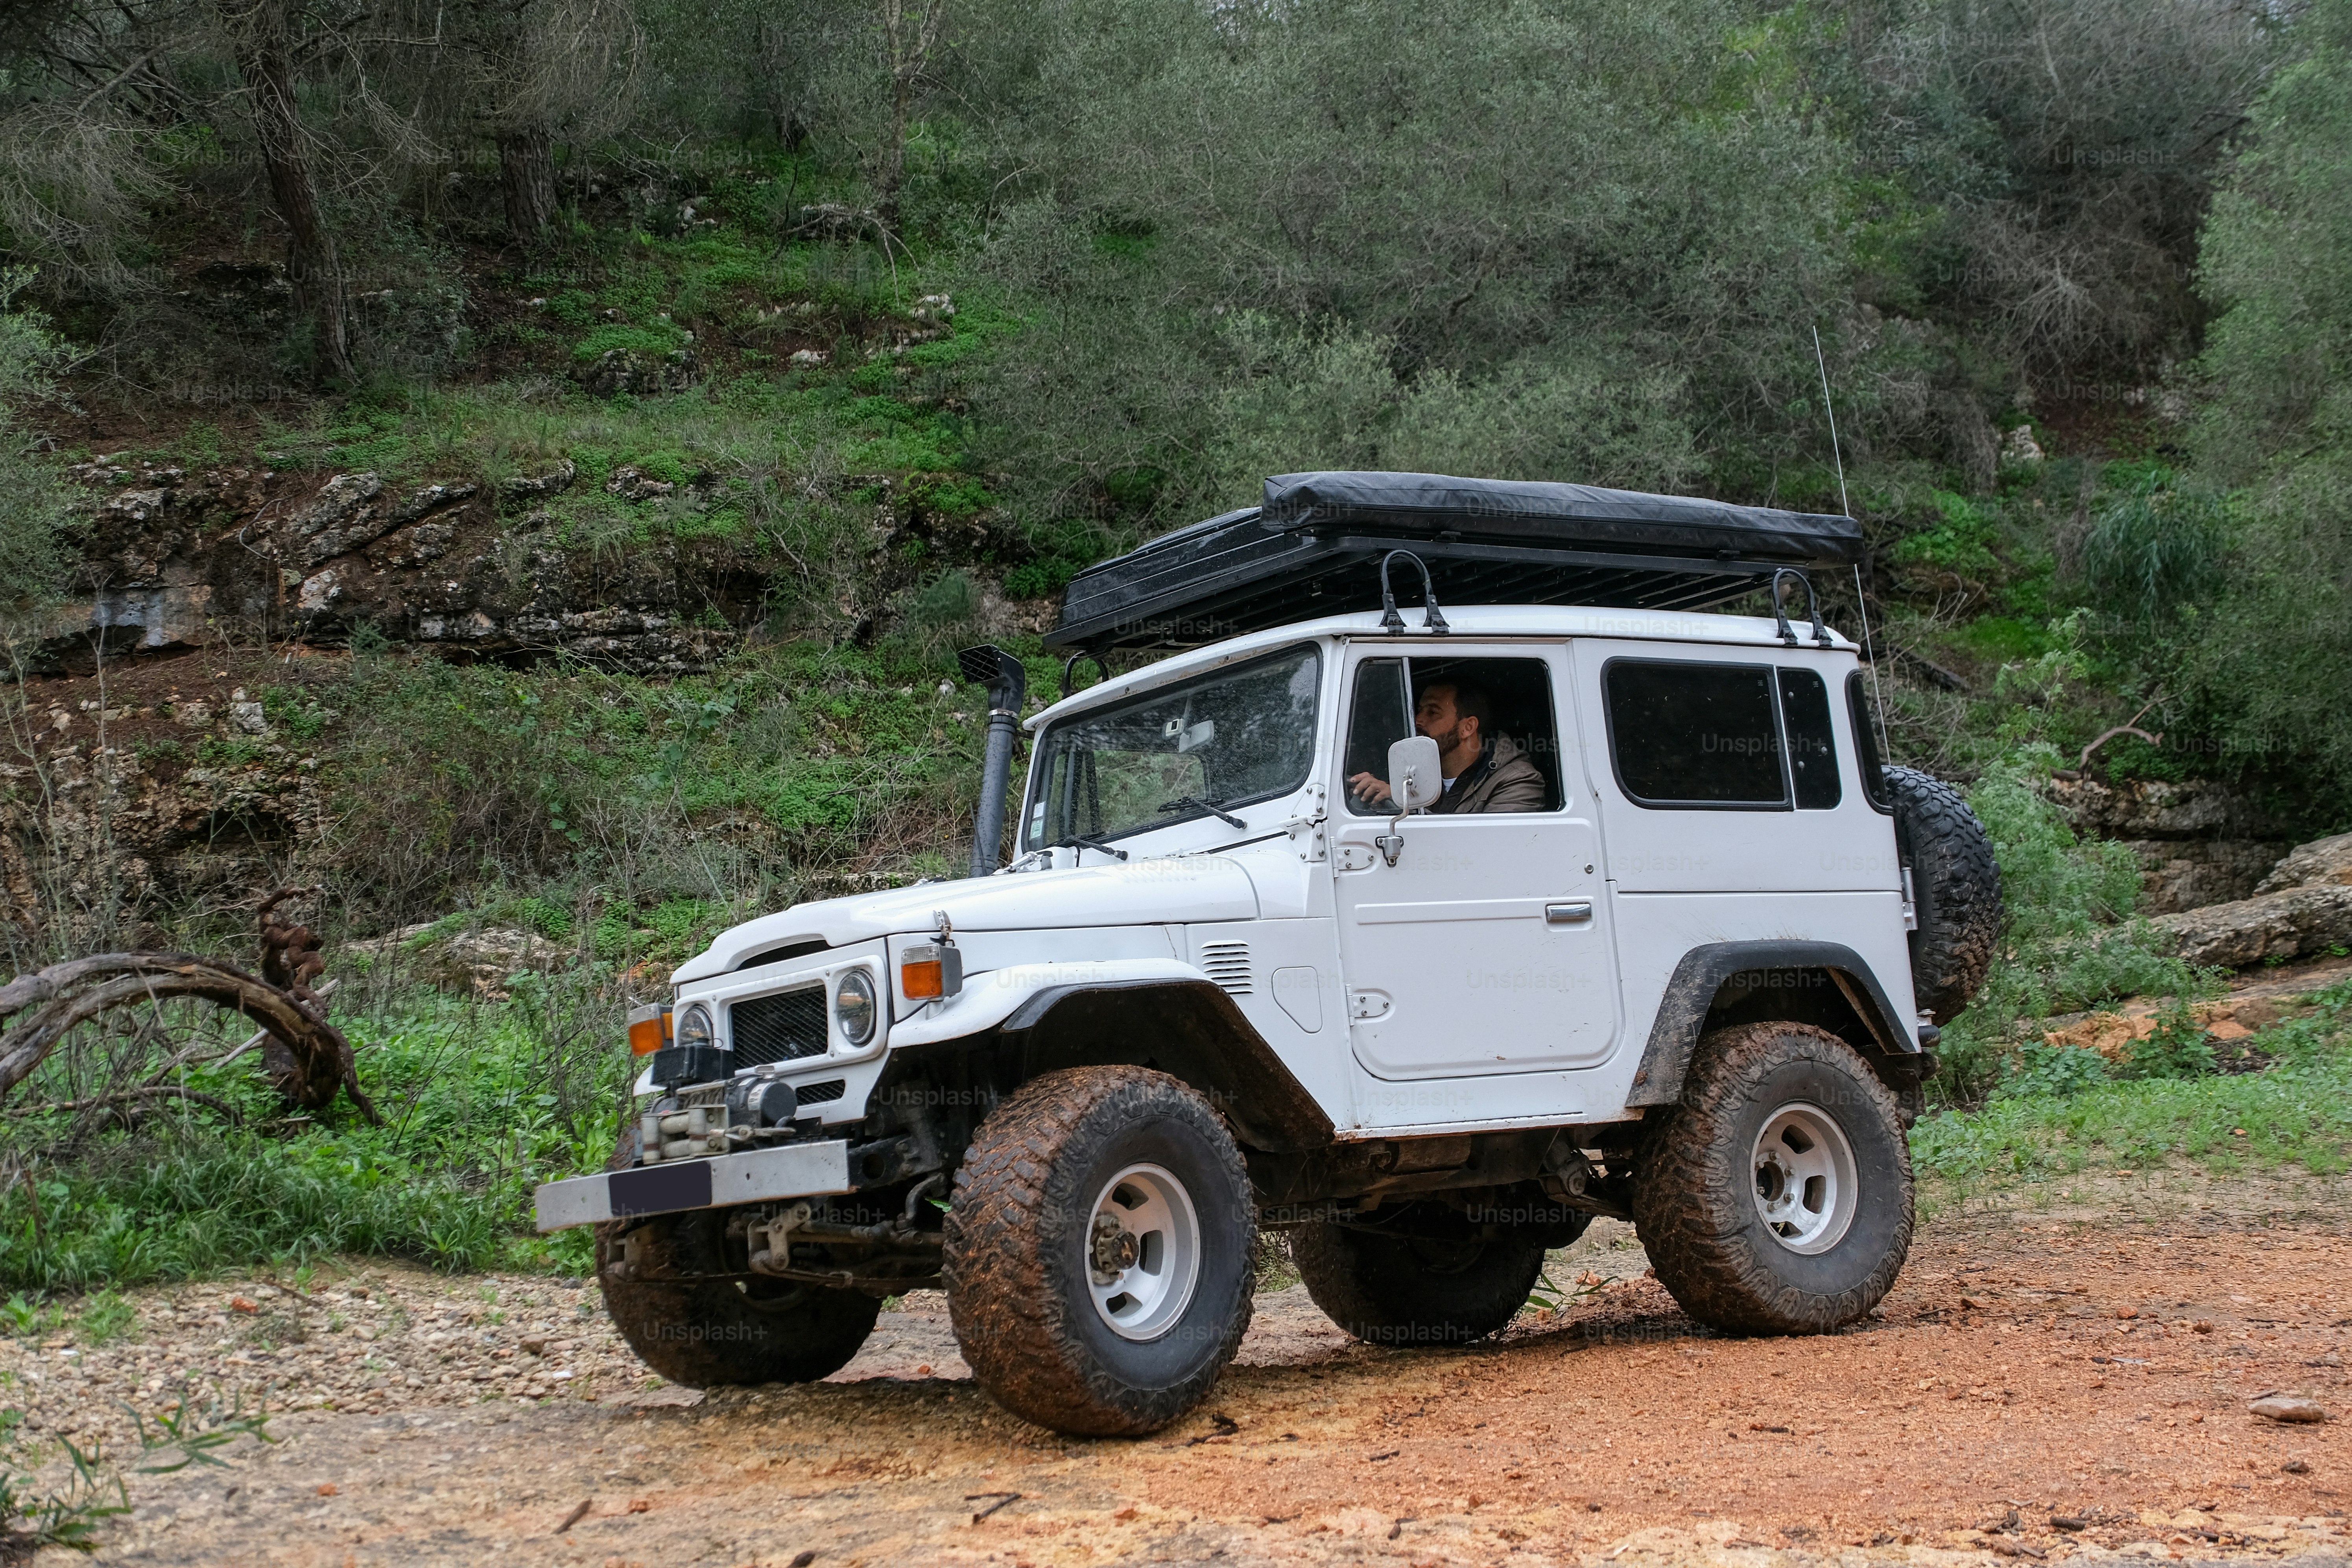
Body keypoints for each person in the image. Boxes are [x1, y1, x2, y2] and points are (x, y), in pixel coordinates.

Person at [1347, 681, 1546, 814]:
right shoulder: (1411, 771)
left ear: (1468, 727)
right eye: (1419, 711)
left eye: (1433, 713)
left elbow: (1490, 851)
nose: (1418, 720)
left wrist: (1405, 805)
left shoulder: (1518, 781)